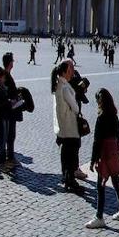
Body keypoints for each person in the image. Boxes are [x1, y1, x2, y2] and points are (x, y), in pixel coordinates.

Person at [87, 88, 119, 228]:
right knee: (116, 183)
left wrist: (93, 160)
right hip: (113, 152)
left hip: (104, 153)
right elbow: (117, 135)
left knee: (100, 186)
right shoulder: (114, 116)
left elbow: (96, 141)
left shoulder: (101, 117)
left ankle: (99, 216)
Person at [52, 60, 83, 193]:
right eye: (70, 70)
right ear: (65, 71)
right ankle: (70, 179)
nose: (72, 72)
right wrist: (76, 107)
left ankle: (66, 176)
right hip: (69, 125)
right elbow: (75, 107)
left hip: (64, 125)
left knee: (66, 153)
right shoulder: (65, 88)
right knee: (71, 153)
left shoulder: (59, 85)